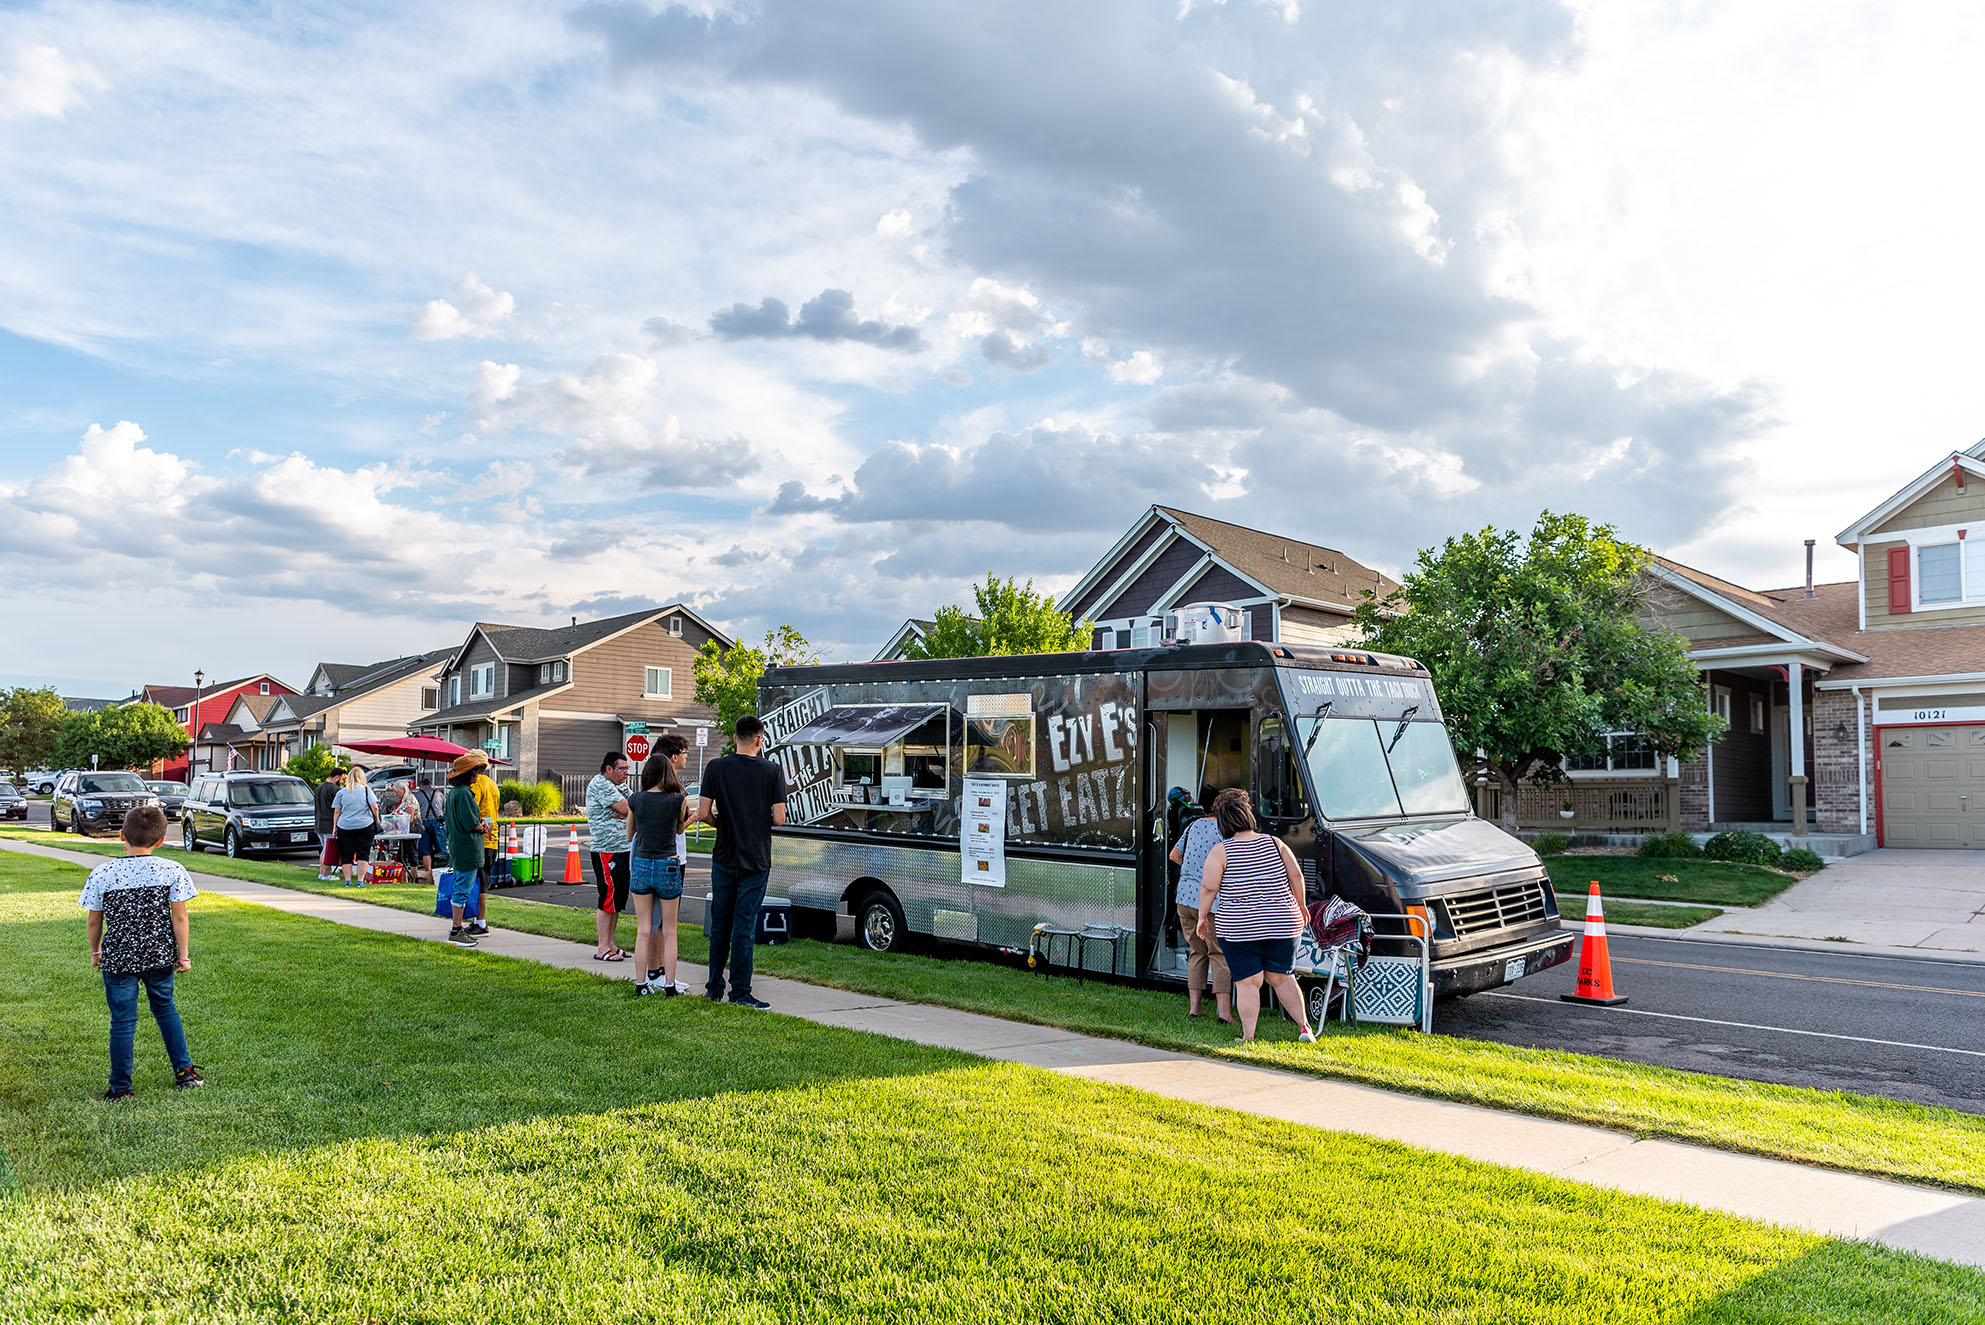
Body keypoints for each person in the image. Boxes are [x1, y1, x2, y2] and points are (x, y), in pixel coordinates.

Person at [79, 805, 204, 1098]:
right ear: (160, 840)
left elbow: (94, 919)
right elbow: (180, 917)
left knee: (122, 1020)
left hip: (118, 957)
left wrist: (95, 952)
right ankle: (184, 1072)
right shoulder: (172, 870)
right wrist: (182, 955)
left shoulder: (102, 873)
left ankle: (121, 1088)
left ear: (122, 835)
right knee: (165, 1009)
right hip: (160, 956)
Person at [1196, 789, 1315, 1046]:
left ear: (1224, 824)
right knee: (1283, 977)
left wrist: (1202, 917)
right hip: (1283, 922)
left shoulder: (1221, 851)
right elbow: (1296, 876)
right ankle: (1305, 1028)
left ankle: (1249, 1036)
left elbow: (1208, 888)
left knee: (1249, 982)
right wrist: (1302, 905)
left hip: (1240, 926)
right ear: (1248, 817)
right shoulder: (1275, 842)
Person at [693, 715, 787, 1009]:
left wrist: (722, 822)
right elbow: (780, 819)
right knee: (743, 927)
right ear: (760, 740)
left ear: (735, 738)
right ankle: (740, 992)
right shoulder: (772, 771)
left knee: (720, 923)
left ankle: (713, 987)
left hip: (724, 855)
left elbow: (704, 812)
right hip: (756, 858)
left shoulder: (716, 767)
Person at [626, 751, 691, 996]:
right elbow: (678, 829)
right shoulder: (678, 799)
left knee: (644, 929)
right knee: (670, 930)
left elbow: (629, 835)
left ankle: (641, 984)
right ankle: (670, 985)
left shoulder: (636, 799)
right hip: (668, 865)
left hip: (642, 863)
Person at [1169, 791, 1232, 1024]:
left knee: (1196, 952)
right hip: (1211, 903)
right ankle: (1224, 1013)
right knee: (1219, 954)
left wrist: (1193, 871)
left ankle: (1195, 1009)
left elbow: (1174, 855)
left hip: (1185, 899)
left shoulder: (1194, 825)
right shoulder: (1227, 832)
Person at [585, 750, 633, 962]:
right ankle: (602, 947)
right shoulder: (600, 784)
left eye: (627, 769)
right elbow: (628, 807)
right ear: (608, 769)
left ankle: (611, 944)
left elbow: (637, 805)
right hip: (606, 850)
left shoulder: (620, 786)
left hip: (623, 848)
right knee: (608, 896)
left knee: (618, 898)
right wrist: (626, 810)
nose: (626, 773)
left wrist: (627, 811)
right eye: (622, 769)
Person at [442, 754, 487, 948]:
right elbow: (470, 823)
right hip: (467, 848)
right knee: (461, 890)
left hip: (458, 846)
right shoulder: (464, 794)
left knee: (461, 888)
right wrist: (484, 826)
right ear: (467, 774)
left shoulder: (454, 793)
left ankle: (457, 929)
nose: (477, 774)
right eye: (475, 771)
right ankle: (456, 930)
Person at [330, 769, 380, 887]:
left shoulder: (342, 792)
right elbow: (375, 806)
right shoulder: (367, 790)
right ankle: (360, 881)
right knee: (363, 853)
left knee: (346, 854)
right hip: (365, 825)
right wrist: (376, 819)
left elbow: (337, 811)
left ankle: (347, 880)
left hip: (345, 825)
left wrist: (334, 827)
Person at [470, 757, 500, 935]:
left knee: (477, 882)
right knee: (484, 880)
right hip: (492, 838)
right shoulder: (492, 784)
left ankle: (480, 921)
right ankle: (479, 919)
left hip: (479, 838)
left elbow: (471, 812)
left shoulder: (475, 785)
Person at [314, 766, 345, 881]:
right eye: (342, 779)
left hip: (319, 823)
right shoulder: (334, 790)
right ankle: (325, 875)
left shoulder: (319, 788)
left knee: (324, 849)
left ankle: (322, 873)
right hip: (329, 824)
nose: (342, 782)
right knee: (328, 851)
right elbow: (338, 809)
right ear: (336, 777)